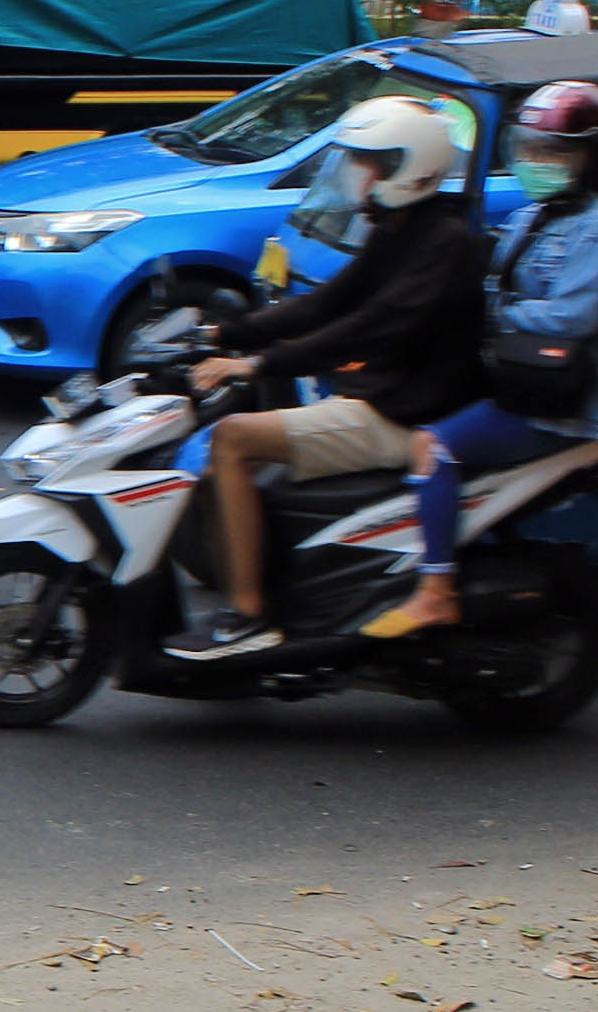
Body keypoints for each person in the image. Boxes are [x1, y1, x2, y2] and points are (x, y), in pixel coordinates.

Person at [168, 94, 487, 660]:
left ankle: (247, 615)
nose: (354, 175)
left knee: (233, 440)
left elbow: (364, 328)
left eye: (366, 163)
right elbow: (325, 305)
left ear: (404, 168)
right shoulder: (400, 229)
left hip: (401, 414)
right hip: (381, 398)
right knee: (233, 453)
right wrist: (226, 333)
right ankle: (275, 581)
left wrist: (258, 363)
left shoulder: (445, 245)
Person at [367, 81, 598, 636]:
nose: (537, 162)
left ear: (592, 159)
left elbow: (570, 319)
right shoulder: (534, 217)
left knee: (433, 446)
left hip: (566, 407)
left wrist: (492, 318)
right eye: (531, 149)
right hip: (522, 383)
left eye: (555, 153)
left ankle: (435, 589)